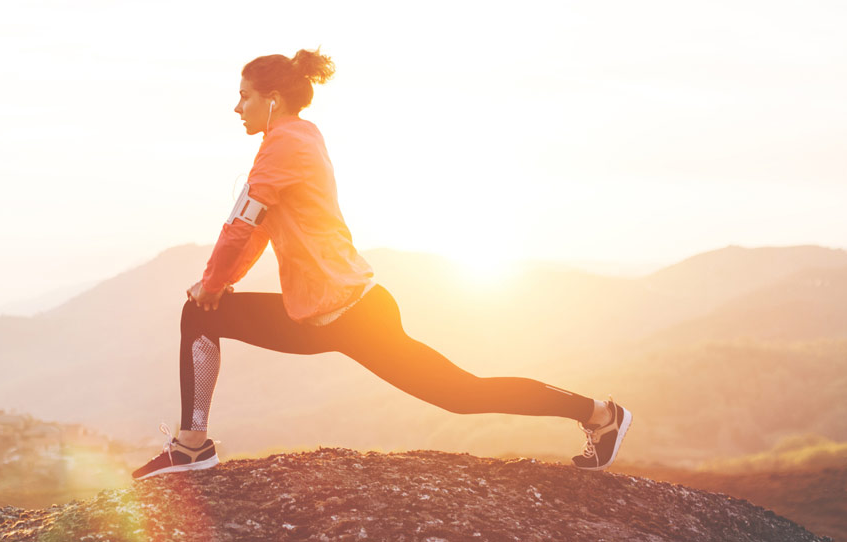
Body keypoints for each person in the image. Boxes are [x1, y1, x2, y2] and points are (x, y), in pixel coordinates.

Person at [132, 48, 632, 481]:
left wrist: (214, 282)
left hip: (353, 316)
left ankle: (599, 413)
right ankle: (192, 445)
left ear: (273, 100)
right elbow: (258, 228)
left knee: (461, 393)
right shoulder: (297, 137)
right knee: (201, 314)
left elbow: (240, 226)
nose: (236, 106)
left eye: (244, 95)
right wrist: (220, 285)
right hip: (317, 314)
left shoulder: (283, 144)